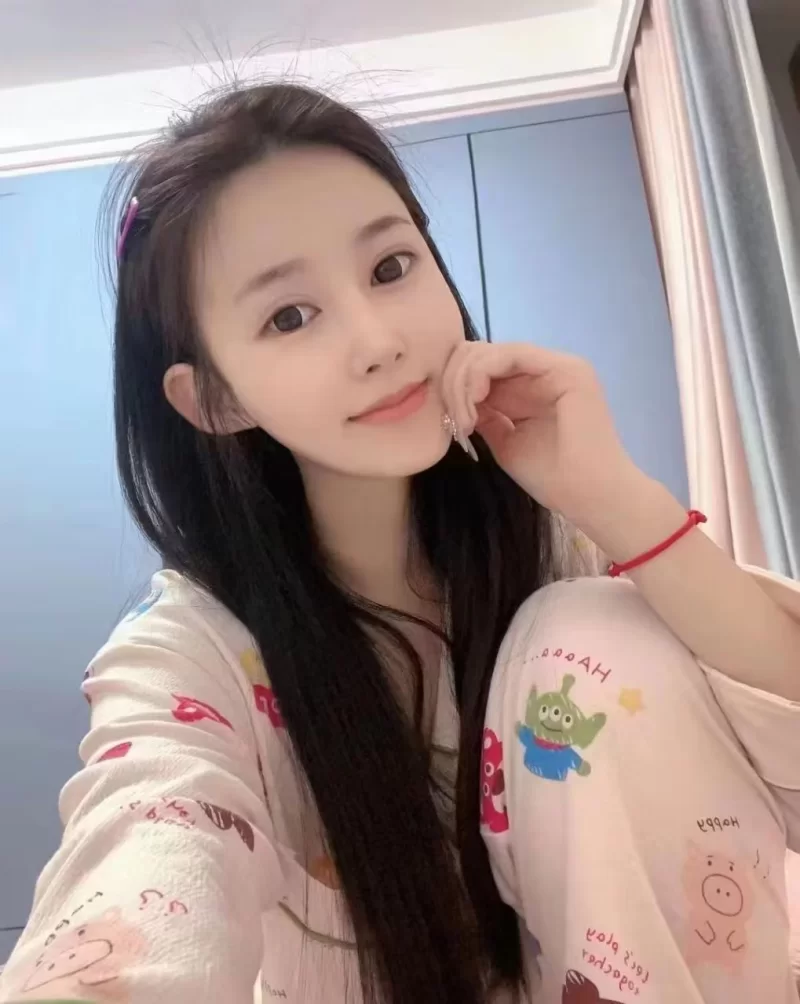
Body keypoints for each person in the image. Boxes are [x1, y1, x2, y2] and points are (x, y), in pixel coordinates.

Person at [1, 82, 799, 1004]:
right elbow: (147, 836)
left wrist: (615, 497)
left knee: (593, 629)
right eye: (289, 316)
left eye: (390, 267)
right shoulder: (192, 651)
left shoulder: (549, 550)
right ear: (213, 399)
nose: (379, 340)